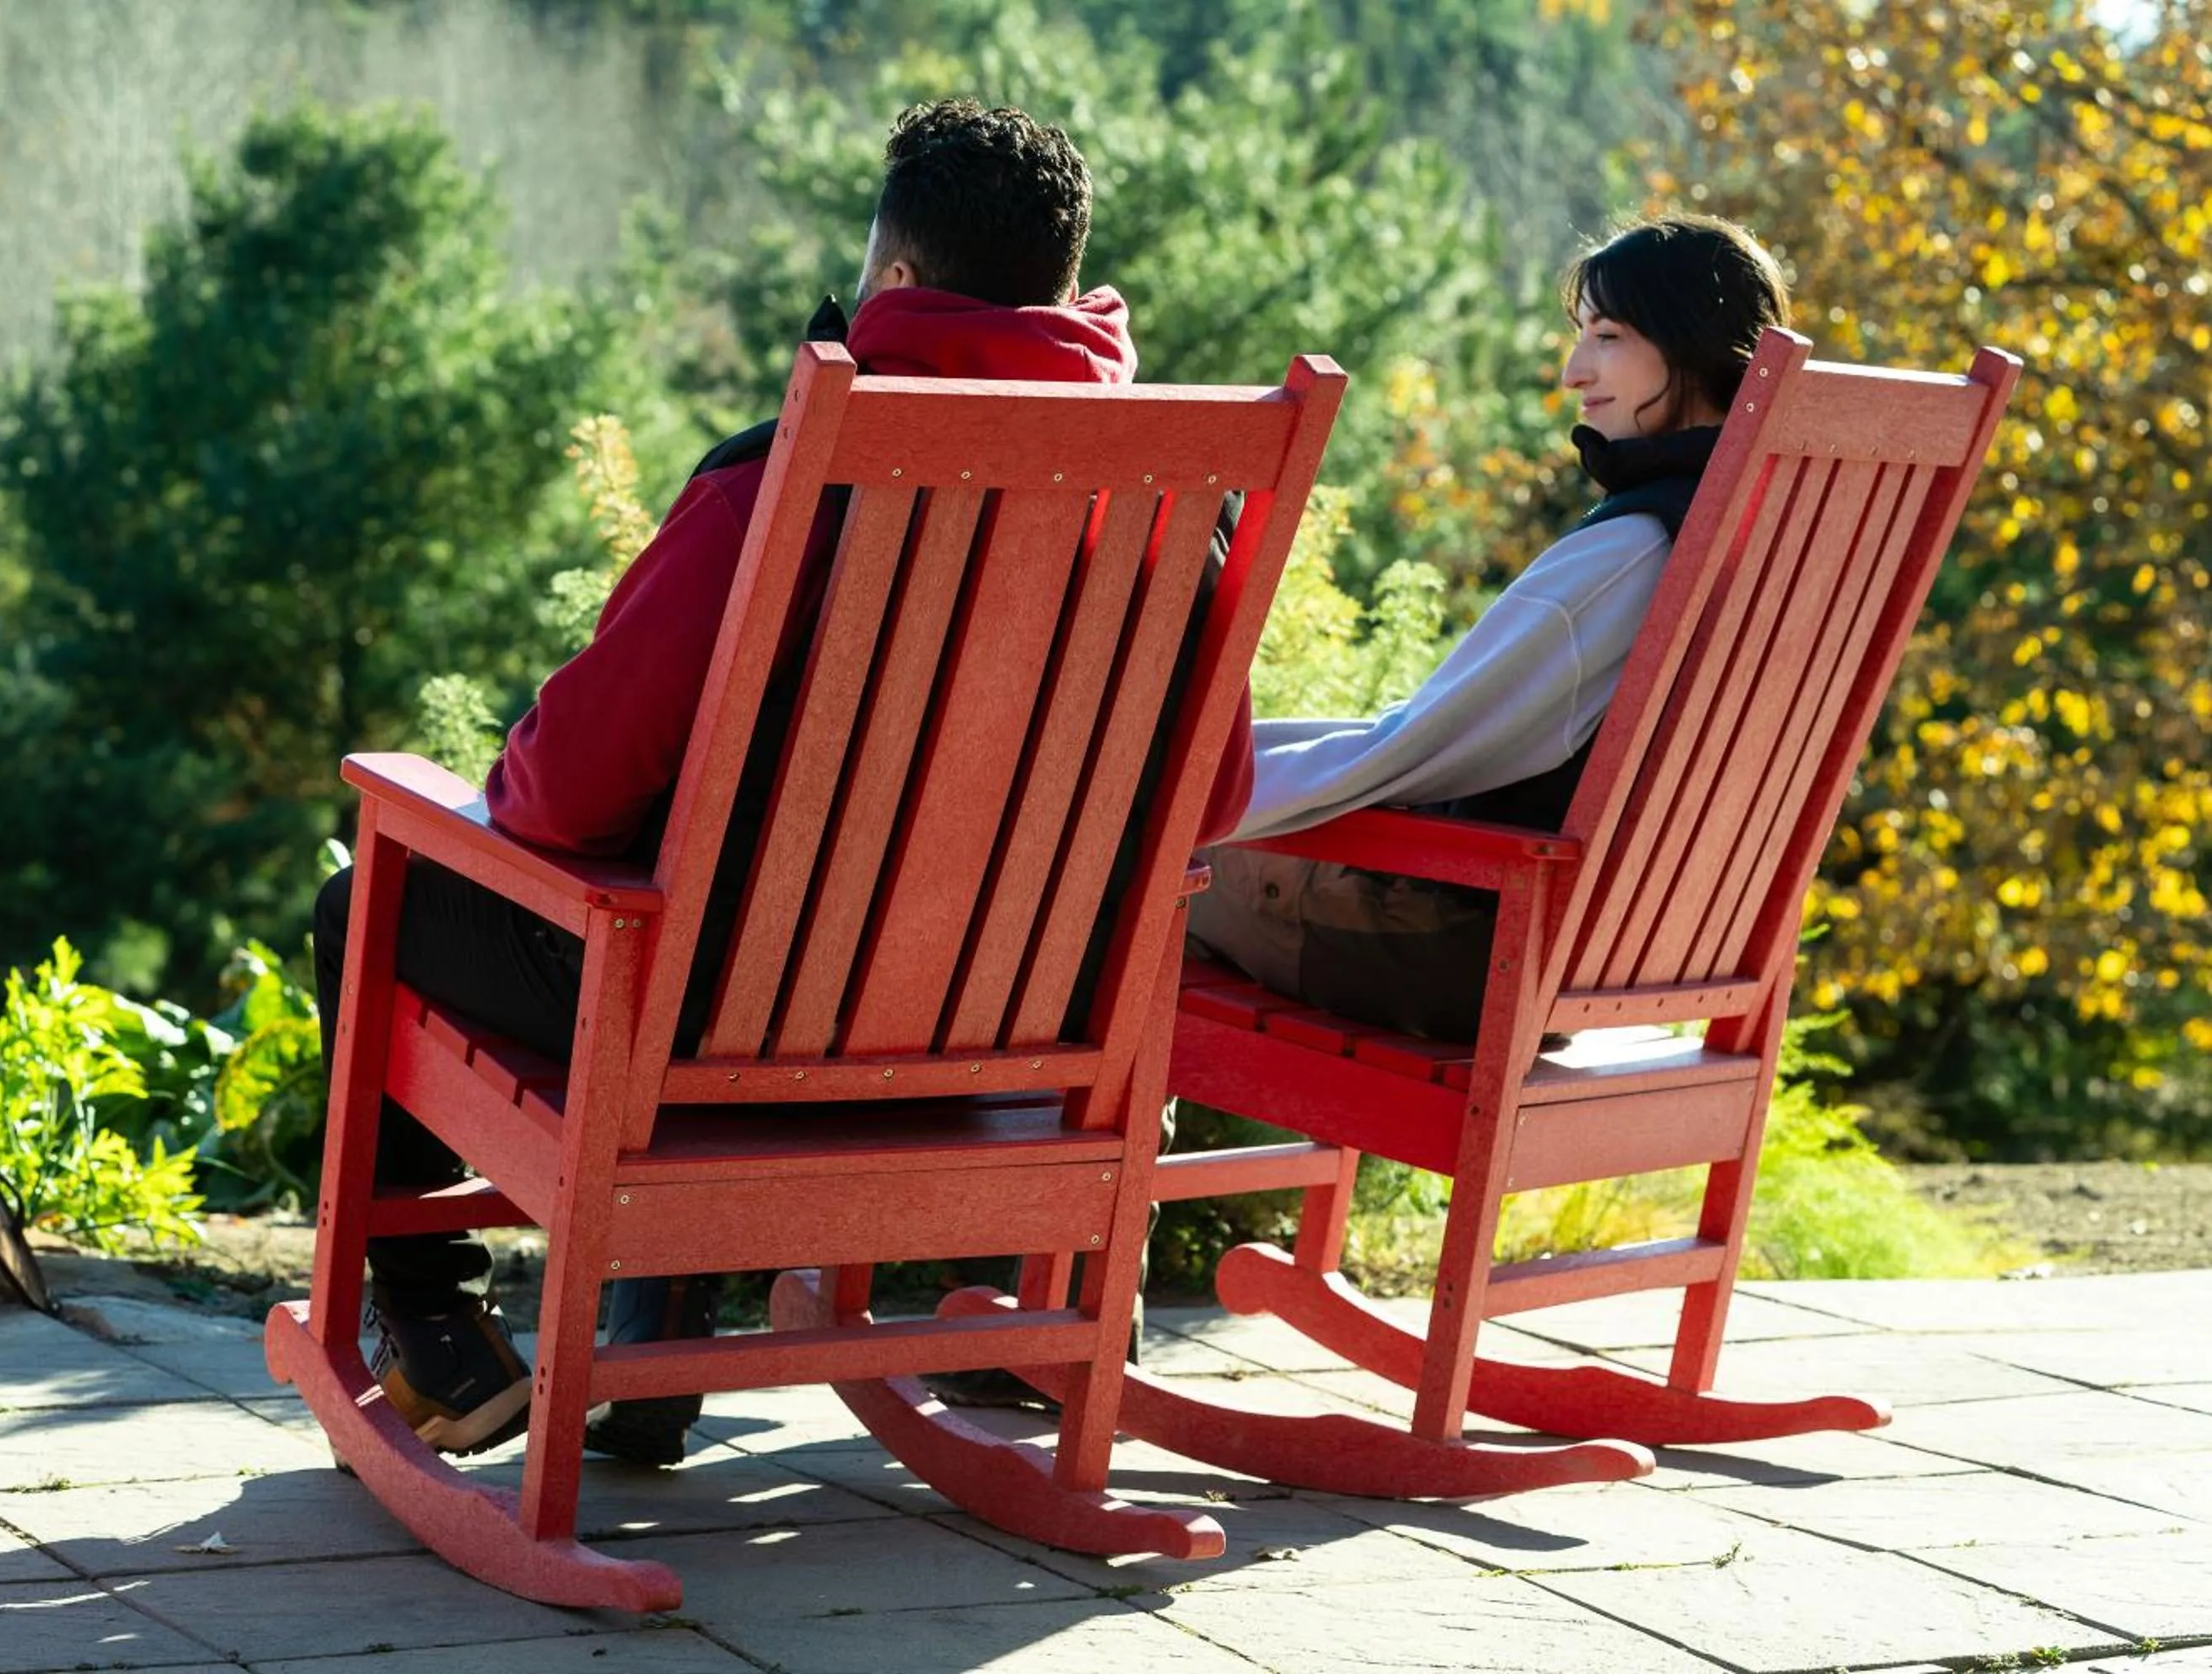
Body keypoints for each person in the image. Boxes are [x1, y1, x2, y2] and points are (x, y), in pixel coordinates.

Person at [312, 98, 1256, 1466]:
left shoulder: (788, 479)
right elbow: (1212, 803)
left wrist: (493, 788)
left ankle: (441, 1342)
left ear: (894, 282)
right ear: (1066, 286)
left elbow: (565, 795)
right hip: (1015, 1040)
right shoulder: (1180, 504)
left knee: (377, 904)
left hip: (725, 1042)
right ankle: (646, 1362)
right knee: (706, 904)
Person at [1186, 213, 1791, 1042]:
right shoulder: (1767, 546)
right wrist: (1220, 755)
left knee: (1112, 865)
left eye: (1608, 336)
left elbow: (1409, 753)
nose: (1576, 371)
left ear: (1692, 344)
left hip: (1467, 954)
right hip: (1612, 961)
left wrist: (1171, 797)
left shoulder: (1630, 551)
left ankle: (1070, 1156)